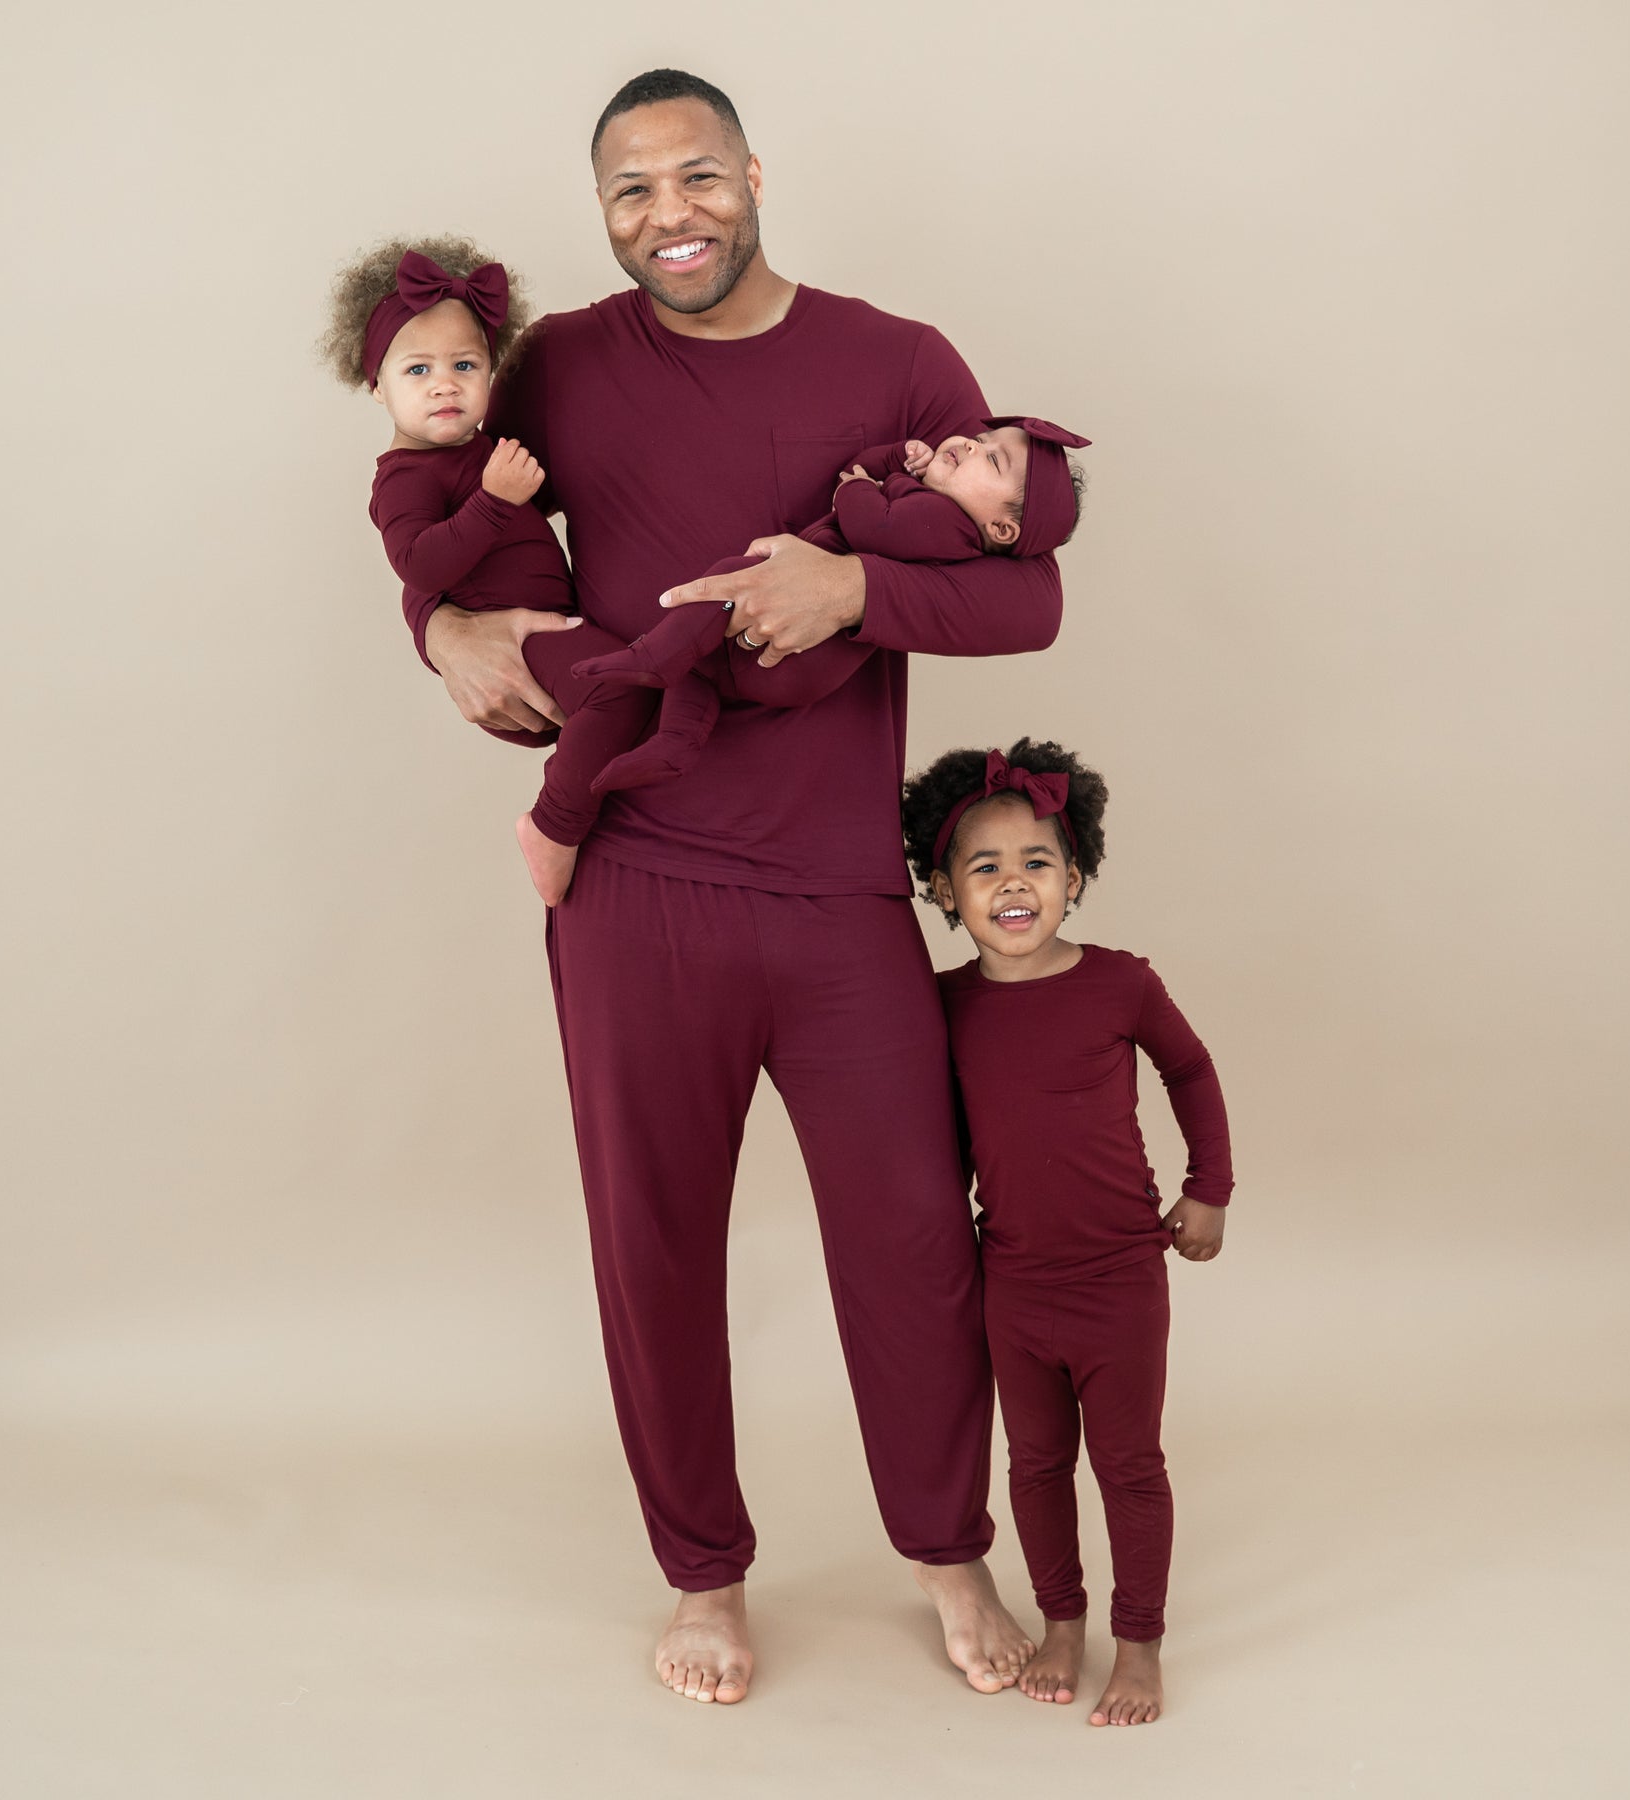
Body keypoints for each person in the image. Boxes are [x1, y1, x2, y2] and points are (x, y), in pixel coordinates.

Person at [408, 69, 1065, 1705]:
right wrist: (441, 630)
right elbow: (435, 503)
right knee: (655, 1251)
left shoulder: (897, 361)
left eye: (695, 177)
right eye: (630, 192)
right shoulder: (555, 365)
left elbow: (1029, 599)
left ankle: (946, 1548)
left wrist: (852, 588)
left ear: (754, 174)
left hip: (838, 891)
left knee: (914, 1241)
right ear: (604, 213)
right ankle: (704, 1578)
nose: (669, 216)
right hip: (632, 885)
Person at [899, 739, 1236, 1727]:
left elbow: (1191, 1070)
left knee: (1129, 1467)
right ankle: (1061, 1622)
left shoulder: (1120, 984)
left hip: (1120, 1279)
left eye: (1036, 862)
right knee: (1037, 1466)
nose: (1014, 884)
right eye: (985, 867)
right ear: (946, 893)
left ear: (1074, 877)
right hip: (1012, 1283)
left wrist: (1209, 1187)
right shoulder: (942, 1007)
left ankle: (1139, 1644)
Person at [321, 237, 716, 904]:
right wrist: (495, 501)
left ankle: (654, 758)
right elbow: (418, 565)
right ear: (377, 387)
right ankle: (553, 827)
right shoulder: (404, 477)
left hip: (556, 629)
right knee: (620, 691)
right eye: (417, 370)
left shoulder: (487, 449)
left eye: (465, 364)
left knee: (678, 669)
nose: (444, 383)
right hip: (514, 646)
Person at [567, 419, 1088, 793]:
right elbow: (861, 471)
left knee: (729, 576)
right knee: (703, 669)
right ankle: (674, 745)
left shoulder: (948, 525)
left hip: (802, 652)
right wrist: (896, 460)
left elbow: (870, 524)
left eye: (991, 459)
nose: (972, 445)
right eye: (981, 439)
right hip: (797, 669)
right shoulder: (934, 504)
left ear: (1002, 530)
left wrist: (863, 488)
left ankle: (651, 656)